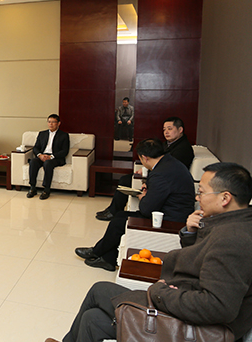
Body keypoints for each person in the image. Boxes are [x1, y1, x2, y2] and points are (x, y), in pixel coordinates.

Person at [46, 162, 252, 342]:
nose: (198, 198)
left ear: (225, 198)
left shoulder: (233, 240)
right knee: (93, 317)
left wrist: (161, 292)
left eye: (202, 192)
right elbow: (202, 260)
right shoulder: (230, 224)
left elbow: (217, 307)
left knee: (97, 296)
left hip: (192, 324)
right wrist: (190, 234)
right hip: (181, 303)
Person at [76, 138, 194, 271]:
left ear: (144, 158)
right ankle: (107, 259)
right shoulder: (169, 163)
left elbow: (146, 209)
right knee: (120, 216)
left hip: (170, 220)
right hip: (174, 212)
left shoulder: (160, 174)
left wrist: (142, 197)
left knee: (119, 221)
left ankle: (96, 252)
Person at [96, 116, 194, 221]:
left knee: (125, 181)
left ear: (180, 130)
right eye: (164, 129)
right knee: (124, 180)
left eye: (170, 129)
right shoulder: (167, 144)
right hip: (163, 182)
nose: (166, 132)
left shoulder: (183, 149)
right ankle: (113, 210)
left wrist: (148, 181)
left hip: (170, 193)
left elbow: (167, 172)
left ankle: (114, 211)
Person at [26, 114, 70, 200]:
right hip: (43, 155)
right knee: (33, 162)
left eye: (53, 122)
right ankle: (32, 188)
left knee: (48, 163)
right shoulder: (42, 134)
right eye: (49, 122)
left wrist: (51, 156)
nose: (51, 124)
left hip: (55, 157)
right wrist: (40, 155)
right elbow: (36, 147)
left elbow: (65, 151)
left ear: (59, 123)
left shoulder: (64, 135)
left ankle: (46, 189)